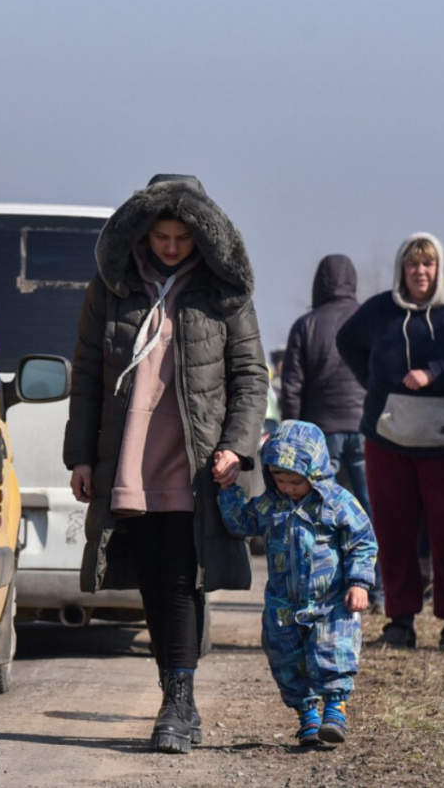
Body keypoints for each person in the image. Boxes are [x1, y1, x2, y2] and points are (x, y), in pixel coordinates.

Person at [65, 174, 267, 754]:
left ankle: (177, 701)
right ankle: (175, 693)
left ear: (202, 235)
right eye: (161, 234)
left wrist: (236, 444)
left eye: (182, 236)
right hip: (129, 452)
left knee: (182, 574)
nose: (171, 246)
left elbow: (252, 375)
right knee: (152, 578)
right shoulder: (111, 286)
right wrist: (80, 455)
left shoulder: (223, 290)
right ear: (142, 231)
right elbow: (86, 373)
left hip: (195, 458)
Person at [335, 233, 444, 651]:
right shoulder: (380, 311)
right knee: (393, 534)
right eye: (413, 264)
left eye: (428, 264)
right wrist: (378, 387)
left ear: (440, 267)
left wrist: (438, 373)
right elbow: (347, 342)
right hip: (389, 441)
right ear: (401, 269)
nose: (420, 272)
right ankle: (399, 621)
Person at [219, 421, 377, 747]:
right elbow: (241, 522)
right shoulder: (271, 504)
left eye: (296, 481)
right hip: (284, 603)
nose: (289, 487)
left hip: (331, 601)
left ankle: (335, 709)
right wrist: (228, 491)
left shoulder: (336, 503)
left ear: (316, 471)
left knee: (333, 652)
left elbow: (362, 541)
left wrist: (360, 582)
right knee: (285, 658)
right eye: (280, 479)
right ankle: (307, 716)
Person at [280, 254, 370, 513]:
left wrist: (291, 434)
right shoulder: (366, 318)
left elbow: (292, 387)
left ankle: (326, 554)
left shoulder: (305, 325)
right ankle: (377, 553)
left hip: (321, 430)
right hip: (365, 425)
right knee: (370, 502)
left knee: (322, 504)